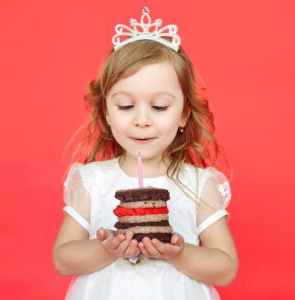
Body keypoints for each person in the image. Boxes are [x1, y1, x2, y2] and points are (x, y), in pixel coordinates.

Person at [52, 7, 239, 300]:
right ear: (107, 114)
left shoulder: (199, 184)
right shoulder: (92, 180)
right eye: (126, 106)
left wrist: (178, 253)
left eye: (160, 107)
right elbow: (63, 258)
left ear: (183, 114)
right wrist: (105, 249)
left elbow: (226, 268)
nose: (142, 119)